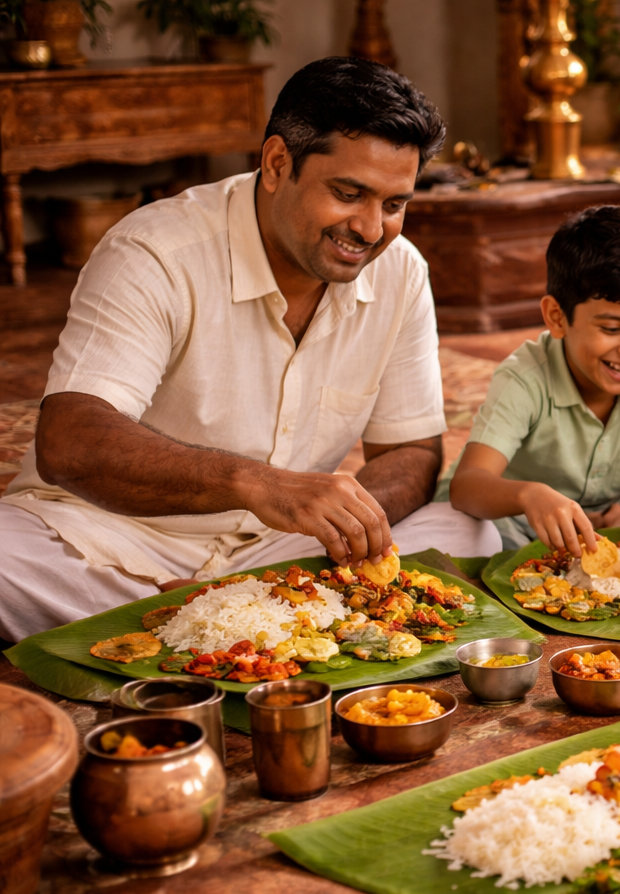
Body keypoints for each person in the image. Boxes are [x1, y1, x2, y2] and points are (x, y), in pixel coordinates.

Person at [0, 57, 500, 642]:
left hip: (281, 553)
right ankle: (260, 620)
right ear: (277, 163)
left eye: (393, 204)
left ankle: (228, 617)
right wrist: (257, 483)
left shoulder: (401, 271)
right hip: (109, 542)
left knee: (469, 532)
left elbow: (411, 450)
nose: (370, 229)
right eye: (348, 193)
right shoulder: (154, 251)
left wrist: (348, 526)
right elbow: (71, 442)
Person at [443, 205, 620, 554]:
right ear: (557, 317)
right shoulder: (524, 378)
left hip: (609, 512)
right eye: (612, 329)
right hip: (513, 519)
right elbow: (467, 486)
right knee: (469, 538)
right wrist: (528, 495)